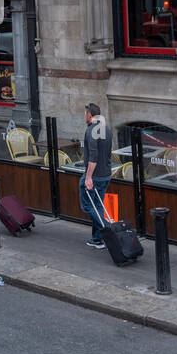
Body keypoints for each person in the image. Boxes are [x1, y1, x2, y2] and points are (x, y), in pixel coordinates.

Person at [79, 103, 113, 249]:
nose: (84, 116)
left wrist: (88, 178)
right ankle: (97, 239)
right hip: (106, 174)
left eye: (85, 113)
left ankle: (109, 229)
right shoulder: (106, 129)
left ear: (89, 115)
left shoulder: (92, 131)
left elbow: (93, 157)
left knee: (87, 205)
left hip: (95, 176)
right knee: (97, 205)